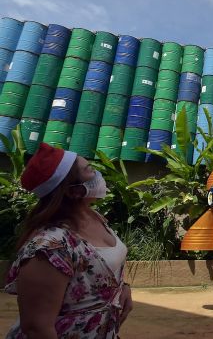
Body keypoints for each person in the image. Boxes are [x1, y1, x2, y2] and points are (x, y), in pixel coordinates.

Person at [4, 143, 132, 338]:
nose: (98, 173)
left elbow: (103, 268)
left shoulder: (93, 216)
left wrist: (123, 287)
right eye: (89, 170)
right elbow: (37, 328)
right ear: (73, 191)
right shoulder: (49, 248)